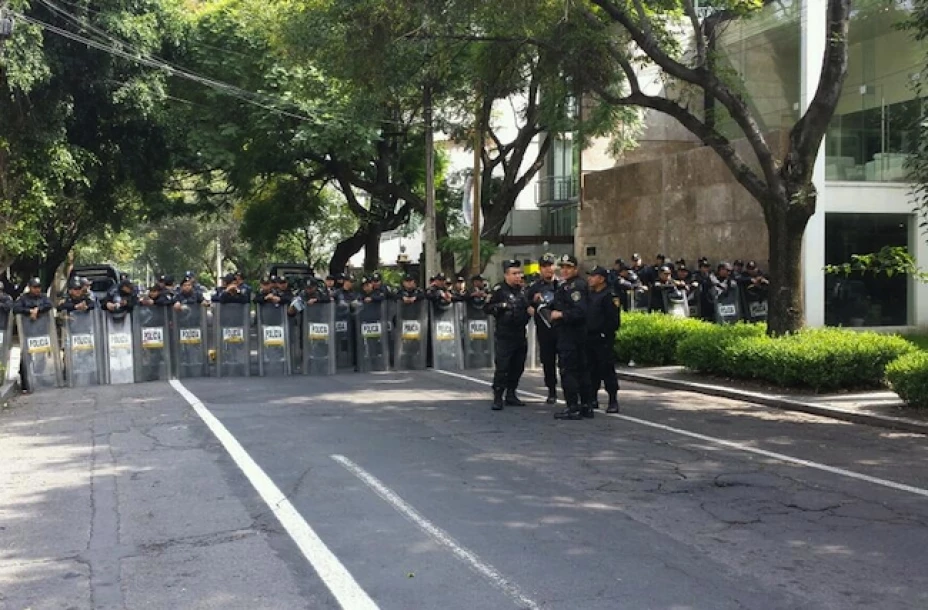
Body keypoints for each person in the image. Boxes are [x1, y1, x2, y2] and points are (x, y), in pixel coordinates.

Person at [549, 255, 593, 420]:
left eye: (568, 267)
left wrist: (560, 314)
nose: (565, 270)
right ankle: (585, 405)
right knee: (581, 370)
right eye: (563, 267)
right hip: (574, 334)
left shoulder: (576, 287)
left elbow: (579, 312)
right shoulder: (566, 286)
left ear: (575, 269)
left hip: (571, 334)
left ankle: (573, 405)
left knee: (569, 371)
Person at [484, 260, 530, 411]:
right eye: (514, 273)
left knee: (518, 366)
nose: (518, 276)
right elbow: (487, 307)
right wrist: (502, 306)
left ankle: (511, 394)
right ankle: (498, 396)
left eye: (519, 273)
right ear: (506, 275)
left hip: (520, 333)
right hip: (505, 334)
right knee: (503, 367)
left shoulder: (523, 290)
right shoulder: (499, 290)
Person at [524, 253, 560, 404]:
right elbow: (524, 302)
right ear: (540, 269)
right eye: (544, 267)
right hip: (545, 331)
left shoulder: (562, 285)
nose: (548, 269)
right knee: (548, 361)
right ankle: (551, 391)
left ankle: (571, 391)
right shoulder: (534, 287)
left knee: (567, 361)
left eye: (550, 266)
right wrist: (530, 305)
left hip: (562, 329)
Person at [586, 267, 620, 413]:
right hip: (590, 337)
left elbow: (613, 320)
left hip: (603, 339)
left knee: (606, 369)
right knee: (591, 370)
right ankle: (593, 398)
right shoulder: (591, 294)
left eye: (593, 276)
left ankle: (613, 400)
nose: (590, 279)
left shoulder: (609, 296)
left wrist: (604, 333)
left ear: (601, 279)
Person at [13, 278, 54, 393]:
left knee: (41, 359)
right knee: (26, 359)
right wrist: (30, 311)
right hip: (28, 334)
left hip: (41, 333)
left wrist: (38, 310)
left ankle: (38, 379)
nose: (37, 290)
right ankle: (25, 383)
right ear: (29, 287)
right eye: (34, 287)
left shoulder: (43, 298)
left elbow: (49, 305)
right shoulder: (23, 299)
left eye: (38, 287)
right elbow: (16, 308)